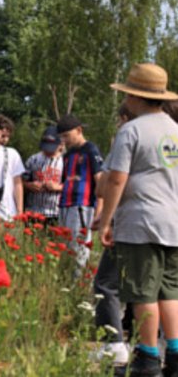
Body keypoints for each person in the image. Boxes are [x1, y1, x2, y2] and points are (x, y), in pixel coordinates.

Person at [99, 63, 178, 377]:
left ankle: (146, 359)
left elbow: (117, 179)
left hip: (141, 221)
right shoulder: (174, 129)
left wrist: (107, 222)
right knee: (170, 291)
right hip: (173, 221)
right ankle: (173, 353)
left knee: (142, 292)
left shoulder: (131, 130)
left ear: (135, 96)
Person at [92, 103, 136, 367]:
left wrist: (106, 219)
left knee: (107, 284)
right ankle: (161, 344)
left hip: (129, 221)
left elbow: (107, 183)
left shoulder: (128, 136)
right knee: (155, 287)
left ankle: (115, 344)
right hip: (166, 224)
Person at [57, 113, 103, 269]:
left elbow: (100, 181)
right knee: (64, 248)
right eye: (61, 137)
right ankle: (66, 282)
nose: (64, 141)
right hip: (65, 205)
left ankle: (78, 284)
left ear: (78, 130)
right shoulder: (67, 155)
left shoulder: (91, 150)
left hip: (82, 205)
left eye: (66, 136)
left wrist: (100, 210)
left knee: (79, 247)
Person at [23, 125, 64, 223]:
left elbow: (73, 185)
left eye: (51, 148)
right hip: (33, 210)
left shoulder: (66, 161)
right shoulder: (33, 159)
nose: (48, 151)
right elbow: (20, 181)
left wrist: (58, 187)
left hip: (56, 212)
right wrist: (29, 185)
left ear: (61, 145)